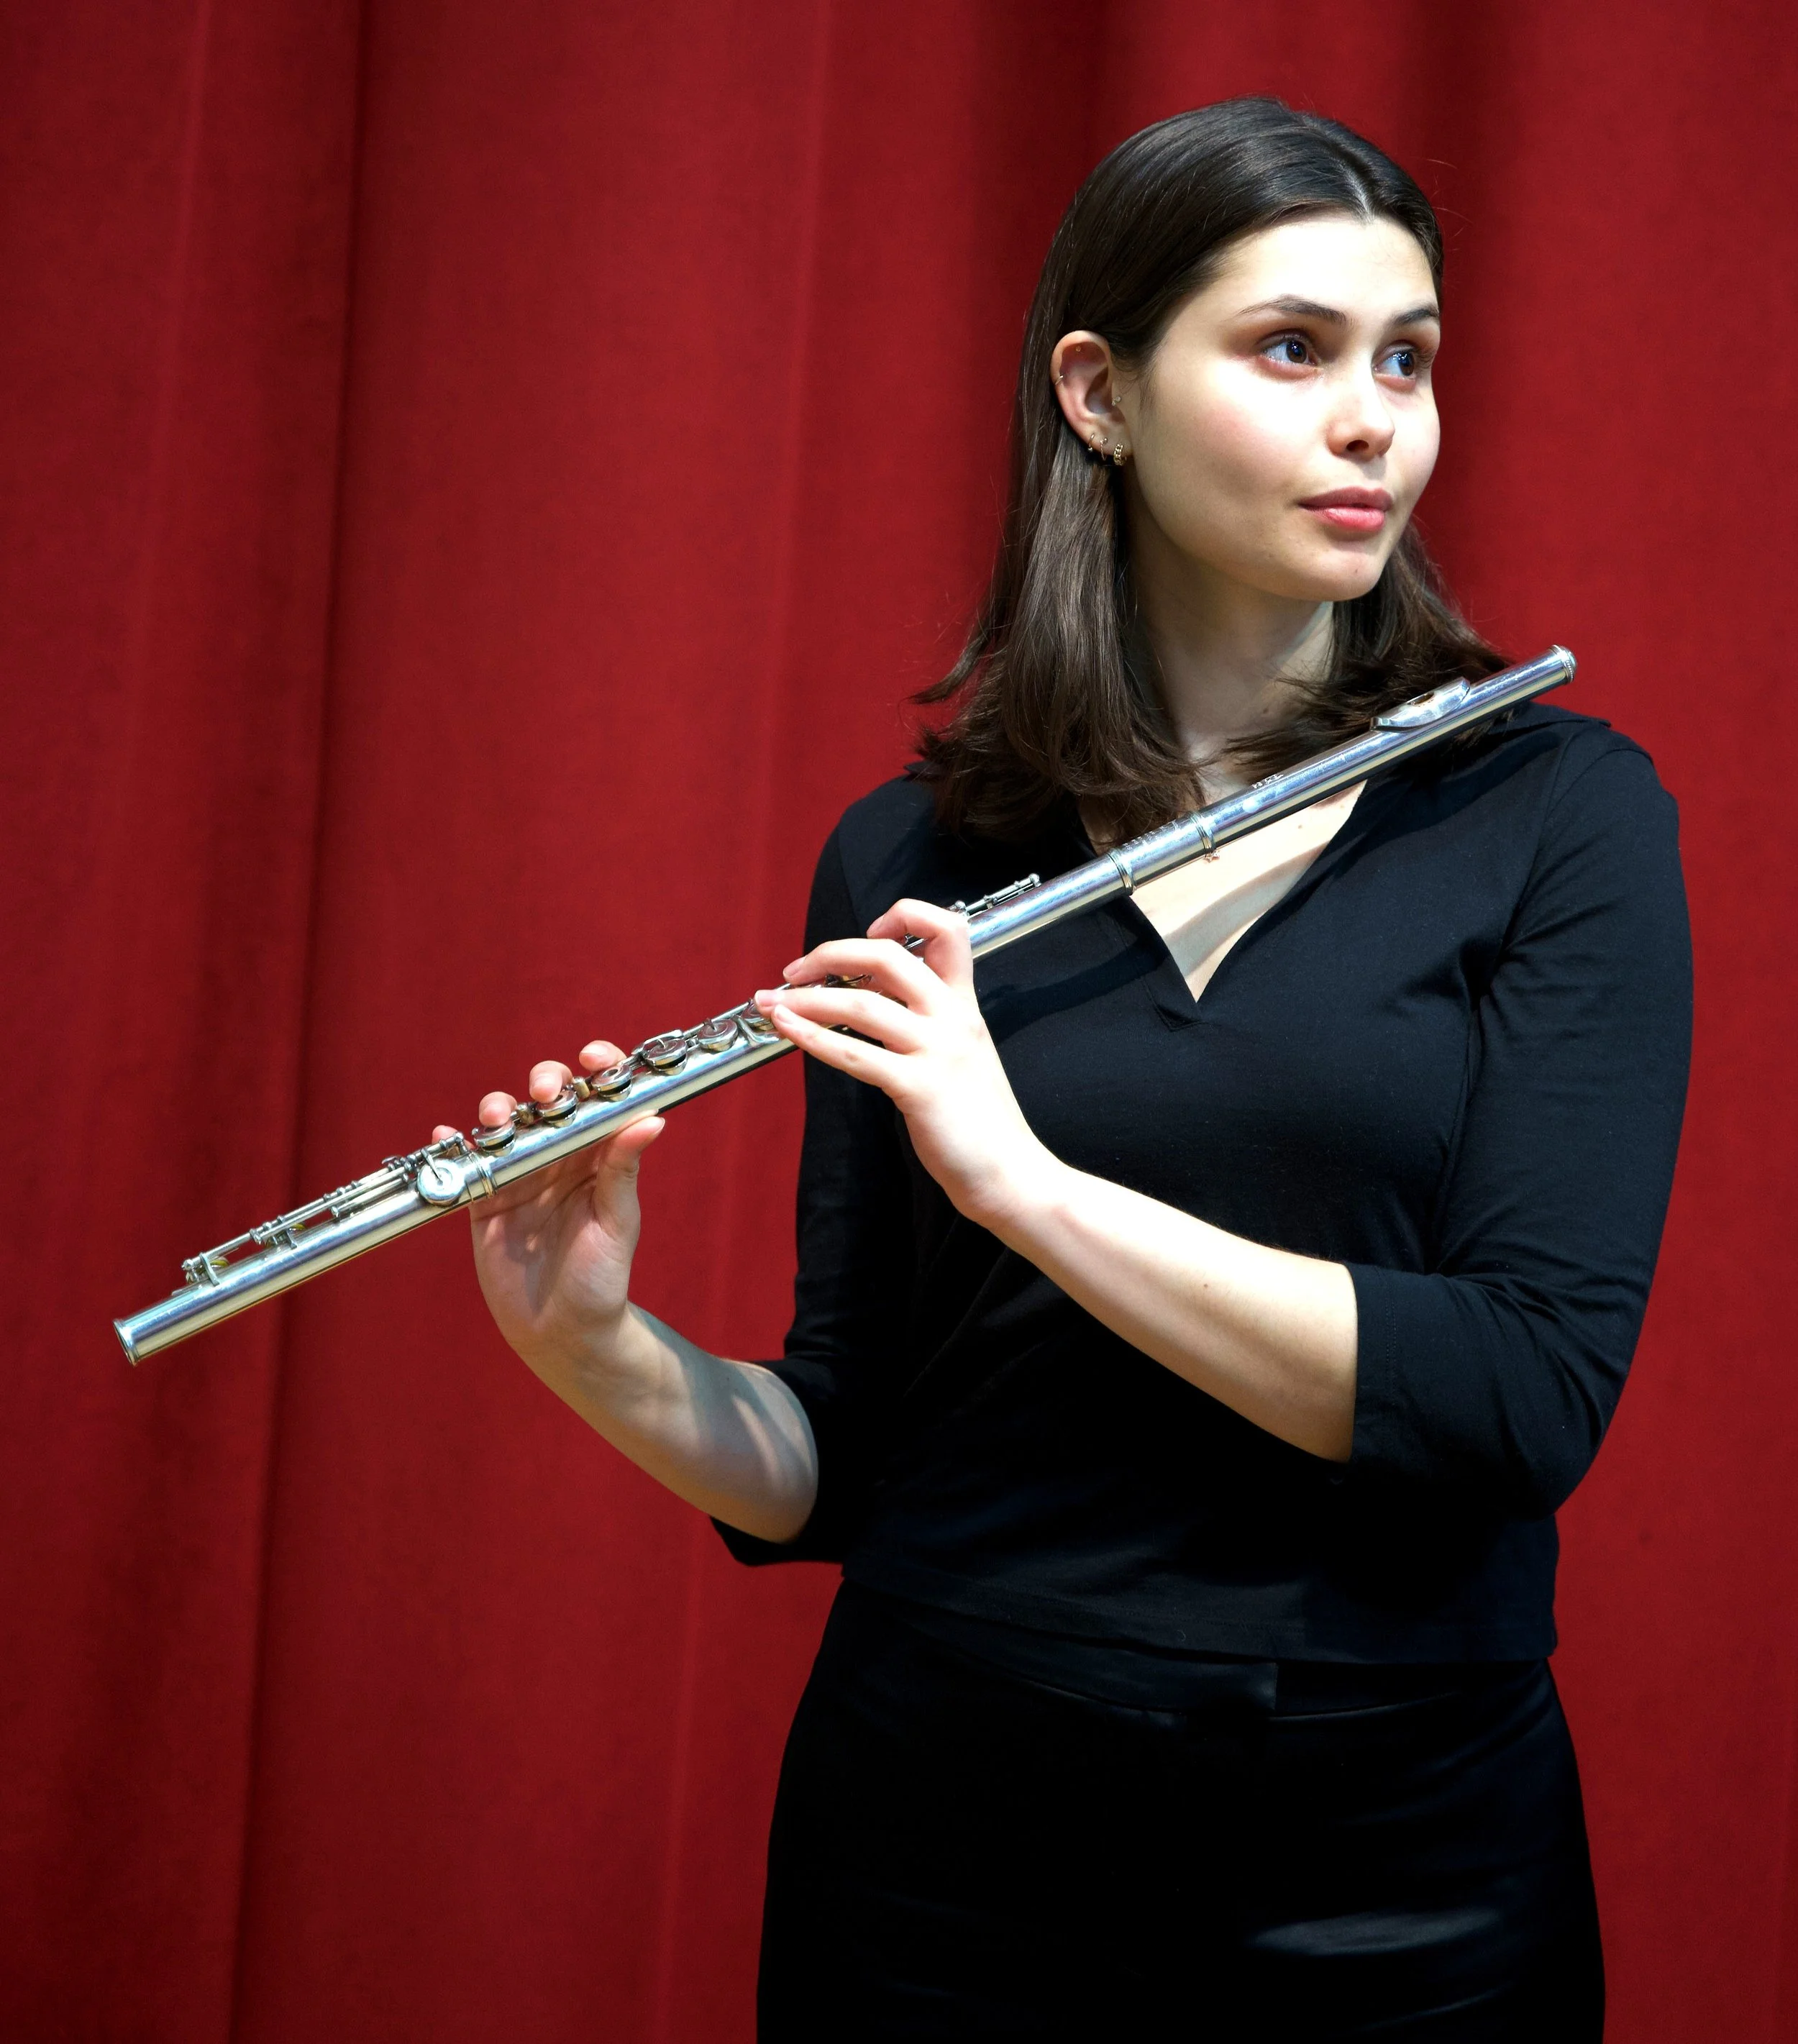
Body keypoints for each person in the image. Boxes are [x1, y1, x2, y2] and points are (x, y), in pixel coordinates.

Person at [439, 100, 1691, 2040]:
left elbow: (1520, 1398)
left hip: (1396, 1863)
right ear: (1099, 394)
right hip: (938, 1844)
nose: (1373, 421)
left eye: (1406, 360)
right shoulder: (913, 857)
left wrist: (1023, 1183)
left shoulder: (1550, 814)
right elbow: (843, 1460)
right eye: (1292, 349)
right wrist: (593, 1348)